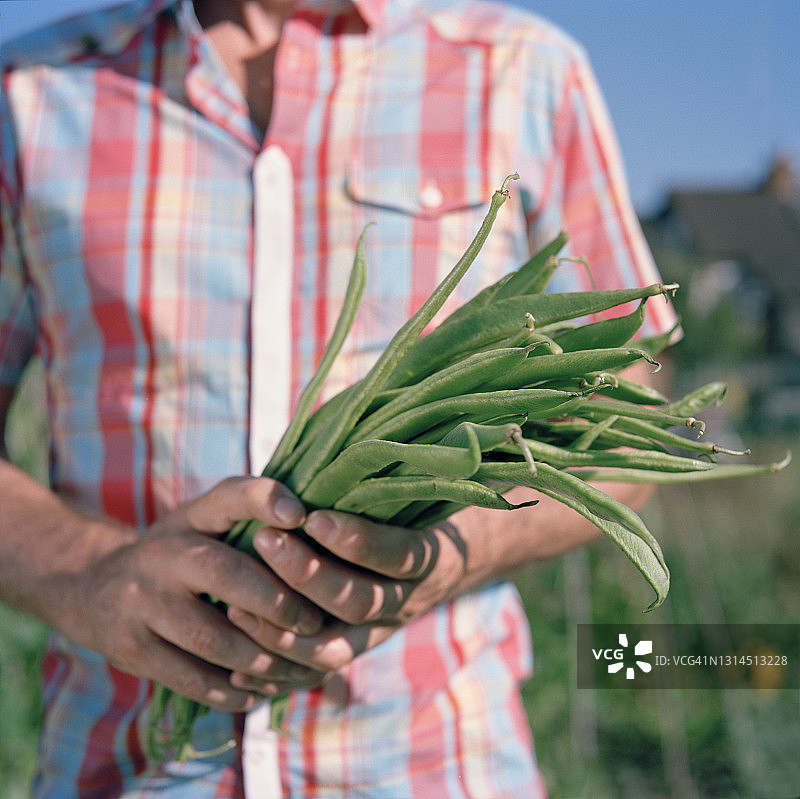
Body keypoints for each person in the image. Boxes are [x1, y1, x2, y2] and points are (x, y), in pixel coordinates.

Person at [0, 0, 677, 796]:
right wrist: (91, 574)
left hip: (437, 765)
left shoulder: (527, 72)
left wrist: (448, 552)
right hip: (126, 768)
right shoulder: (27, 92)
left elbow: (631, 413)